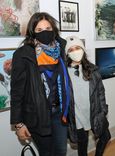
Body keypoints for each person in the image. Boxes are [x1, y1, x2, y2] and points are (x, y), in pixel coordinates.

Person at [10, 12, 77, 156]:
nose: (44, 33)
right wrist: (18, 124)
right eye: (39, 30)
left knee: (60, 151)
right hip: (37, 115)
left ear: (53, 29)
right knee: (46, 153)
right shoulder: (23, 54)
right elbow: (16, 92)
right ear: (32, 32)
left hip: (60, 112)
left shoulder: (62, 49)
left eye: (48, 28)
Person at [65, 36, 111, 156]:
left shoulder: (93, 70)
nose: (75, 51)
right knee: (82, 146)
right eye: (71, 49)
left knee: (105, 136)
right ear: (67, 54)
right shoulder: (64, 72)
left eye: (78, 48)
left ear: (83, 50)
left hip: (94, 113)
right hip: (78, 118)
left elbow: (101, 91)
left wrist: (103, 110)